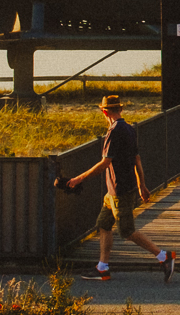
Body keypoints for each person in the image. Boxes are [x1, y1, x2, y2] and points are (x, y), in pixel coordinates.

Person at [60, 94, 174, 282]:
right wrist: (141, 184)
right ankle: (102, 267)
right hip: (116, 189)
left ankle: (163, 256)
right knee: (103, 224)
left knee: (127, 230)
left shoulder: (114, 132)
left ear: (105, 111)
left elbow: (106, 163)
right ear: (120, 109)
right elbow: (137, 158)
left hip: (119, 189)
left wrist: (79, 178)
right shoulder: (129, 129)